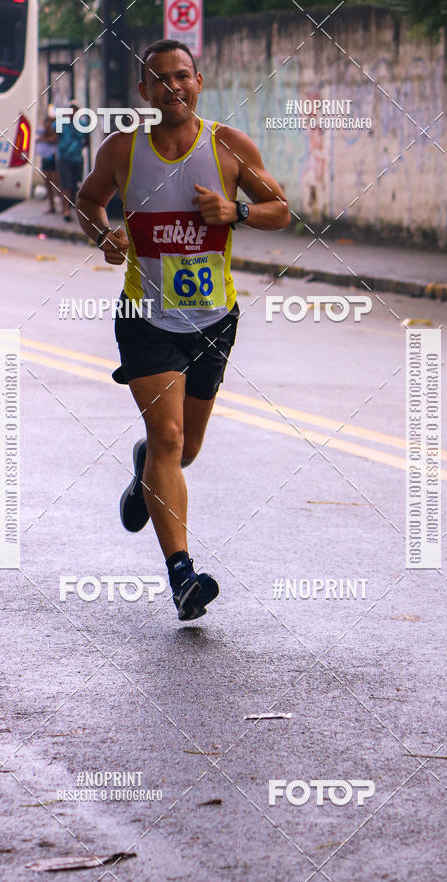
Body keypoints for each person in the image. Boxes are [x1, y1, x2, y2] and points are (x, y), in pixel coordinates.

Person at [76, 39, 290, 621]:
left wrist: (235, 212)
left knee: (183, 449)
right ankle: (182, 577)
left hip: (215, 320)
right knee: (171, 439)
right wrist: (105, 237)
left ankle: (145, 463)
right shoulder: (123, 150)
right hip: (145, 319)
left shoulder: (228, 146)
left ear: (199, 83)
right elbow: (89, 200)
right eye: (160, 80)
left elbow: (281, 209)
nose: (173, 87)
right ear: (144, 92)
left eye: (182, 77)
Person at [56, 98, 87, 221]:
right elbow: (53, 134)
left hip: (77, 158)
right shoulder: (61, 123)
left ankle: (72, 208)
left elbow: (86, 139)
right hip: (64, 158)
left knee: (75, 185)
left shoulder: (83, 124)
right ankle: (66, 211)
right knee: (66, 185)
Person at [36, 105, 60, 213]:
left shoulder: (57, 124)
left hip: (54, 156)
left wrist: (43, 139)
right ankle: (52, 206)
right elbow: (43, 133)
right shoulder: (47, 123)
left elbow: (55, 138)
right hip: (46, 156)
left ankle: (65, 206)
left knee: (57, 183)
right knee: (47, 182)